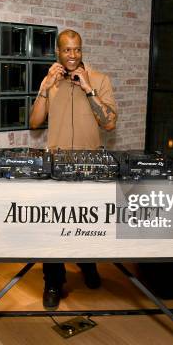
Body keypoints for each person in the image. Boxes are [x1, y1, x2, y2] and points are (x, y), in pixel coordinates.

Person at [29, 29, 118, 310]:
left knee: (86, 223)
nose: (72, 55)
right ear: (58, 52)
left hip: (88, 167)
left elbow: (110, 124)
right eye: (67, 50)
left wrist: (89, 88)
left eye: (77, 49)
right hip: (56, 167)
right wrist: (44, 87)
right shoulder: (51, 84)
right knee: (52, 226)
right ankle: (53, 282)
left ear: (82, 50)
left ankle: (87, 264)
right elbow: (34, 123)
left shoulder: (100, 79)